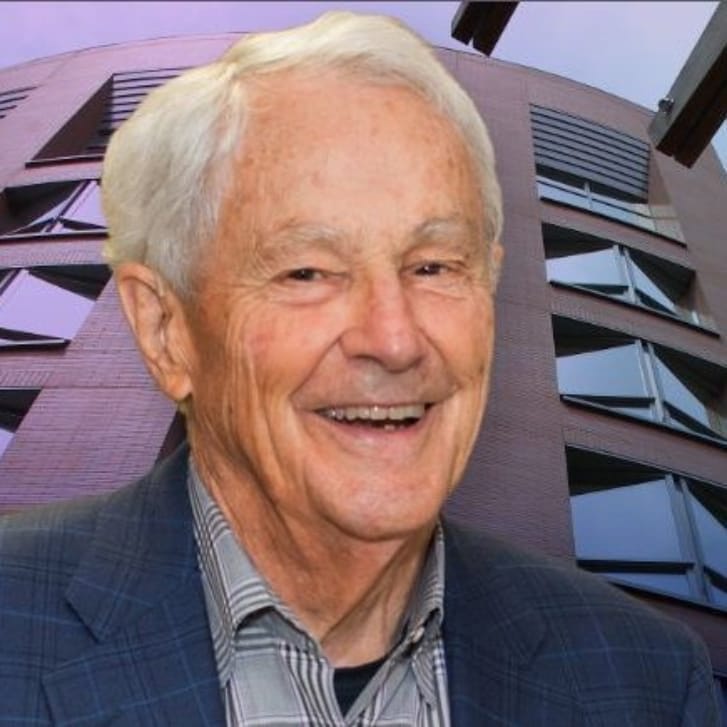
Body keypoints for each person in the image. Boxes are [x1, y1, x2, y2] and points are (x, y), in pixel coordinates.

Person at [0, 11, 720, 726]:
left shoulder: (645, 678)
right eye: (307, 271)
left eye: (433, 266)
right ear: (166, 330)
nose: (395, 339)